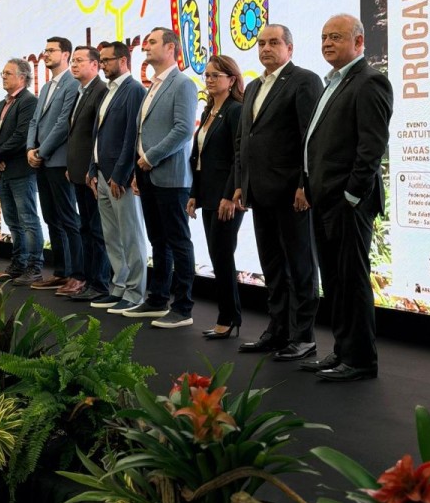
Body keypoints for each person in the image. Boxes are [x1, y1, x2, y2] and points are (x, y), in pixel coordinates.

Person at [300, 13, 393, 381]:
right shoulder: (333, 82)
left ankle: (360, 360)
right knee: (335, 282)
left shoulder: (370, 81)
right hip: (325, 200)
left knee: (351, 282)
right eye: (324, 36)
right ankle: (342, 351)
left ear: (359, 42)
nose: (327, 43)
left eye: (336, 37)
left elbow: (372, 147)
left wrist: (352, 195)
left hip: (348, 203)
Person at [234, 23, 323, 359]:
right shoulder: (254, 86)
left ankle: (303, 336)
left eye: (273, 42)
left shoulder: (304, 80)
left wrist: (304, 184)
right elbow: (244, 139)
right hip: (259, 191)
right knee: (272, 266)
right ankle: (277, 330)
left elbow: (309, 138)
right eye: (261, 43)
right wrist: (241, 183)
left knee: (300, 266)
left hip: (291, 192)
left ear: (290, 48)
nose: (266, 48)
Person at [123, 27, 197, 328]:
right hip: (147, 175)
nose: (145, 47)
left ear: (170, 48)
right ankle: (157, 299)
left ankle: (183, 307)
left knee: (178, 241)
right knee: (158, 240)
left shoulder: (183, 84)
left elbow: (183, 129)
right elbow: (143, 131)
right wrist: (137, 169)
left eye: (152, 42)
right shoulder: (152, 85)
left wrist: (151, 157)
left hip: (171, 177)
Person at [187, 55, 244, 339]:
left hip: (226, 196)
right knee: (217, 255)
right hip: (207, 193)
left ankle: (229, 317)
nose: (209, 80)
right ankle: (229, 315)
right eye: (207, 75)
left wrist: (229, 195)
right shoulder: (210, 109)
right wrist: (194, 194)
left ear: (231, 80)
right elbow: (199, 158)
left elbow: (238, 156)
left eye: (215, 75)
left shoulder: (235, 110)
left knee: (222, 255)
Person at [88, 41, 147, 313]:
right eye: (101, 60)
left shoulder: (134, 89)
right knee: (112, 236)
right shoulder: (109, 90)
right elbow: (98, 134)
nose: (102, 65)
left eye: (107, 60)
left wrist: (121, 174)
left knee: (131, 236)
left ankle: (135, 292)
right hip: (101, 174)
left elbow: (131, 136)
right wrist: (92, 168)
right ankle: (118, 287)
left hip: (118, 178)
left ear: (123, 60)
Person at [26, 37, 85, 293]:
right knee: (51, 217)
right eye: (45, 50)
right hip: (41, 161)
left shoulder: (73, 84)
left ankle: (77, 273)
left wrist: (41, 151)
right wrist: (30, 148)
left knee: (68, 218)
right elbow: (34, 121)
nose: (46, 54)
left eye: (51, 50)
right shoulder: (47, 86)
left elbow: (63, 124)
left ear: (66, 54)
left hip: (59, 161)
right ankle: (61, 272)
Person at [0, 58, 44, 284]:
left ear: (22, 77)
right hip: (4, 171)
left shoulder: (29, 101)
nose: (3, 77)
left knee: (28, 220)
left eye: (8, 73)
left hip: (21, 171)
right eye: (2, 73)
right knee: (12, 221)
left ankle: (34, 267)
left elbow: (22, 137)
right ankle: (18, 264)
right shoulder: (2, 104)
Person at [64, 45, 112, 300]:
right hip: (78, 172)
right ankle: (88, 280)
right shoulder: (81, 91)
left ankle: (100, 283)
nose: (74, 64)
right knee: (85, 228)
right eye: (73, 60)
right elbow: (76, 134)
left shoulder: (100, 91)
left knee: (96, 230)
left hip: (91, 174)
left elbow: (97, 137)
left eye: (80, 60)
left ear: (95, 65)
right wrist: (71, 166)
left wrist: (91, 169)